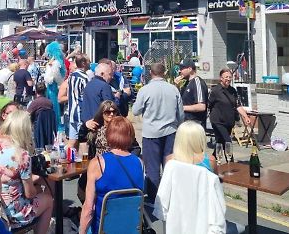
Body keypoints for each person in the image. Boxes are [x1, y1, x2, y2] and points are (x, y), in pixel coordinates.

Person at [0, 110, 53, 234]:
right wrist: (37, 179)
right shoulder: (22, 155)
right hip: (14, 213)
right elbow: (29, 194)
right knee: (48, 199)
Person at [79, 116, 145, 234]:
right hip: (130, 228)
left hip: (103, 229)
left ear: (108, 135)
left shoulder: (98, 163)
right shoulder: (139, 163)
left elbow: (89, 209)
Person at [132, 62, 184, 202]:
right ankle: (170, 196)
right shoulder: (173, 89)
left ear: (151, 73)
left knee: (152, 168)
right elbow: (181, 114)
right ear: (164, 73)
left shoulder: (145, 90)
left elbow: (135, 110)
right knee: (169, 166)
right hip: (170, 132)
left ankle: (154, 199)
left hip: (151, 134)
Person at [208, 68, 251, 159]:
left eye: (230, 77)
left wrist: (245, 116)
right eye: (226, 77)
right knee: (228, 141)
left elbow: (238, 105)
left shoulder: (232, 91)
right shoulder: (215, 90)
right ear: (221, 78)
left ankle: (213, 158)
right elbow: (209, 104)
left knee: (220, 142)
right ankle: (231, 162)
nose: (228, 79)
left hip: (228, 122)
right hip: (218, 121)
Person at [176, 58, 209, 128]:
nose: (179, 71)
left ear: (190, 69)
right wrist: (177, 86)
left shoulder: (197, 82)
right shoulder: (186, 83)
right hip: (186, 123)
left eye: (182, 68)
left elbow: (201, 106)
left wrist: (182, 108)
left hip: (195, 125)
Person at [66, 55, 89, 148]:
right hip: (80, 112)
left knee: (72, 141)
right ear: (83, 63)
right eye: (88, 61)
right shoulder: (85, 78)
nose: (89, 63)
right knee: (83, 142)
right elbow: (87, 96)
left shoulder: (71, 76)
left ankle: (66, 158)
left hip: (72, 111)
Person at [44, 41, 66, 128]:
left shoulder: (54, 62)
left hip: (52, 86)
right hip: (53, 86)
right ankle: (55, 123)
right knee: (54, 105)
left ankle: (55, 123)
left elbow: (53, 76)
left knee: (54, 104)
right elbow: (57, 76)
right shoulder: (56, 62)